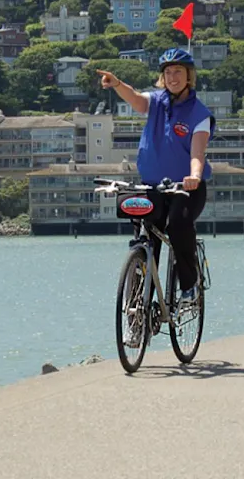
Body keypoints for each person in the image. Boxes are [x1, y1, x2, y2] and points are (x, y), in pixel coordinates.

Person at [97, 48, 212, 304]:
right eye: (168, 72)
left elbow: (197, 153)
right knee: (146, 233)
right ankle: (141, 301)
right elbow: (136, 99)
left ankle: (189, 286)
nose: (173, 77)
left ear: (189, 76)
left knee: (178, 224)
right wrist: (116, 83)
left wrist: (194, 176)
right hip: (153, 185)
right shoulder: (157, 102)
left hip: (186, 188)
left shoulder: (199, 114)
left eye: (178, 72)